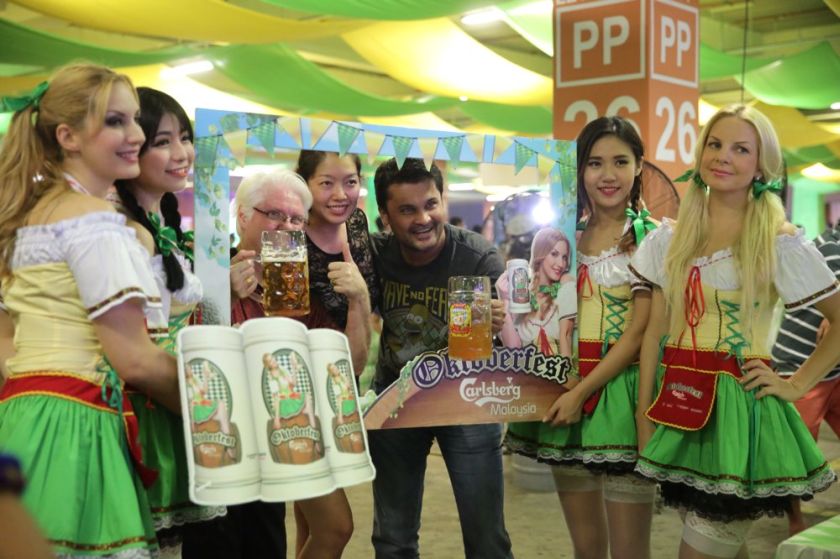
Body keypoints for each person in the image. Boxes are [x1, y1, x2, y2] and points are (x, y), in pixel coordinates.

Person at [630, 104, 840, 559]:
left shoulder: (777, 239)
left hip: (741, 423)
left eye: (740, 149)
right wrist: (644, 415)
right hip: (679, 412)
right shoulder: (672, 236)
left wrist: (796, 384)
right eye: (716, 143)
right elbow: (653, 335)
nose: (723, 156)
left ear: (761, 165)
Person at [0, 63, 180, 557]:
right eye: (116, 121)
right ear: (68, 136)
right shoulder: (95, 223)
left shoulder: (24, 218)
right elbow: (135, 360)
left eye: (135, 120)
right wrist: (209, 403)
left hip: (18, 418)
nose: (136, 135)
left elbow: (6, 344)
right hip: (75, 424)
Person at [512, 116, 658, 559]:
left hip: (623, 399)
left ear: (638, 167)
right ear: (579, 171)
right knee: (586, 549)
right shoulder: (563, 241)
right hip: (565, 391)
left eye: (620, 161)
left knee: (631, 552)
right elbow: (543, 318)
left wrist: (583, 392)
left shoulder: (650, 237)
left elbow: (639, 333)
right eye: (594, 163)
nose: (607, 175)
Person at [369, 157, 512, 559]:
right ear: (385, 216)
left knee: (487, 537)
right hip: (397, 397)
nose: (423, 218)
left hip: (467, 399)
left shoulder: (478, 257)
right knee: (392, 538)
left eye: (431, 204)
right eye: (407, 209)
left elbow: (516, 338)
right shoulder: (374, 254)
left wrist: (503, 324)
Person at [113, 86, 225, 548]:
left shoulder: (158, 224)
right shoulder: (125, 231)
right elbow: (133, 349)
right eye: (163, 142)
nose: (182, 153)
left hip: (172, 400)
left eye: (185, 137)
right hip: (148, 406)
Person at [189, 168, 312, 559]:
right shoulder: (205, 270)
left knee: (267, 540)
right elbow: (181, 346)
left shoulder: (298, 281)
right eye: (274, 214)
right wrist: (222, 293)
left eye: (296, 219)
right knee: (216, 543)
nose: (286, 226)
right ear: (242, 216)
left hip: (270, 432)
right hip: (216, 435)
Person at [289, 150, 377, 558]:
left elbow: (354, 360)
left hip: (338, 391)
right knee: (336, 527)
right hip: (293, 401)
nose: (341, 194)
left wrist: (359, 297)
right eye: (326, 183)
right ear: (303, 184)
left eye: (351, 182)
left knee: (308, 521)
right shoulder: (286, 235)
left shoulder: (355, 225)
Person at [772, 218, 840, 534]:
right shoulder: (828, 247)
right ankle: (795, 523)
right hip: (800, 365)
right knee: (794, 456)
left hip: (833, 366)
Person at [498, 227, 575, 356]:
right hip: (524, 372)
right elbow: (513, 348)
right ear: (541, 253)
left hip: (556, 372)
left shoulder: (566, 289)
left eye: (565, 257)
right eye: (554, 254)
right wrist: (505, 299)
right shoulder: (521, 296)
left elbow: (566, 336)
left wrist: (566, 374)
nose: (561, 264)